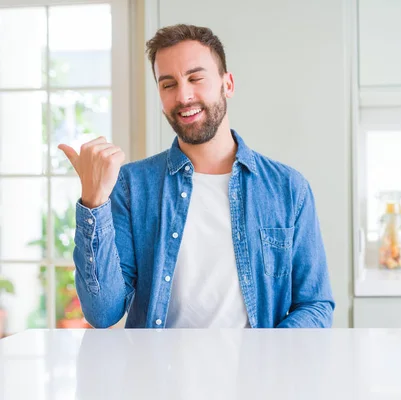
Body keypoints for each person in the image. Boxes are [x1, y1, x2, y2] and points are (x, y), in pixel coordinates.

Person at [58, 24, 335, 329]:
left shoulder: (288, 188)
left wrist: (267, 356)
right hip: (157, 375)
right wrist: (94, 202)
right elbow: (102, 313)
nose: (183, 95)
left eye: (195, 78)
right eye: (168, 84)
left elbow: (315, 304)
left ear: (227, 84)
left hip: (256, 375)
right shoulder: (131, 186)